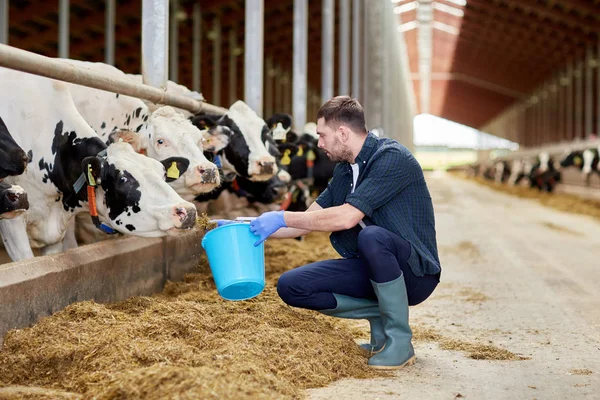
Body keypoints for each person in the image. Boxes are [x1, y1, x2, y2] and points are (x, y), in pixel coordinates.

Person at [227, 96, 441, 370]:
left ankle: (400, 341)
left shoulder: (391, 158)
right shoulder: (345, 170)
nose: (318, 144)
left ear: (342, 133)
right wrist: (247, 225)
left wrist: (280, 216)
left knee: (371, 236)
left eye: (321, 135)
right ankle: (381, 316)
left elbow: (346, 217)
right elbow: (306, 221)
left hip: (415, 274)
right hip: (374, 268)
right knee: (291, 286)